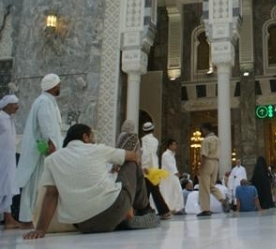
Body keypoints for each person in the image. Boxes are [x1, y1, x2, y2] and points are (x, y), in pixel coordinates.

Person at [23, 124, 159, 239]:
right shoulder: (97, 149)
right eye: (92, 136)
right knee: (131, 162)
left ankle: (121, 221)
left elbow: (51, 195)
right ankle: (144, 210)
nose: (94, 140)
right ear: (85, 137)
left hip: (84, 225)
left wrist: (40, 229)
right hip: (113, 210)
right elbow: (133, 156)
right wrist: (119, 163)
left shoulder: (52, 160)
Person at [15, 74, 63, 228]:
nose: (60, 87)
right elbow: (45, 126)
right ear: (53, 86)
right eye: (58, 84)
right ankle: (27, 219)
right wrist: (50, 146)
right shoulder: (44, 102)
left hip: (44, 149)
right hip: (41, 150)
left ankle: (35, 217)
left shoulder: (48, 101)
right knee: (34, 184)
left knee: (41, 184)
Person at [140, 121, 171, 219]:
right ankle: (145, 209)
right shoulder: (155, 140)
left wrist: (144, 166)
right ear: (152, 130)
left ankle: (163, 211)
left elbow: (146, 154)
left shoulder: (145, 140)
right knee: (150, 190)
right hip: (155, 167)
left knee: (151, 190)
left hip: (148, 168)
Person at [197, 122, 229, 216]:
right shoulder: (217, 139)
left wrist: (200, 167)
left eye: (202, 129)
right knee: (211, 185)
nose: (202, 132)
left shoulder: (206, 140)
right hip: (216, 163)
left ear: (205, 129)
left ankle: (205, 209)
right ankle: (222, 199)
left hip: (207, 162)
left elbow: (204, 155)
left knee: (204, 187)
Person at [0, 94, 20, 229]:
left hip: (9, 159)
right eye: (14, 104)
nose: (17, 106)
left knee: (8, 186)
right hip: (1, 159)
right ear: (7, 105)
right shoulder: (0, 118)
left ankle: (8, 218)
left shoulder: (9, 119)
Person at [160, 139, 184, 214]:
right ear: (170, 145)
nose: (175, 146)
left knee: (175, 191)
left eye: (176, 145)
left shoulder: (172, 154)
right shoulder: (166, 154)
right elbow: (170, 165)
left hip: (172, 176)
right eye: (174, 144)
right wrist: (176, 172)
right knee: (168, 192)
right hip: (168, 177)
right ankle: (169, 208)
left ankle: (175, 208)